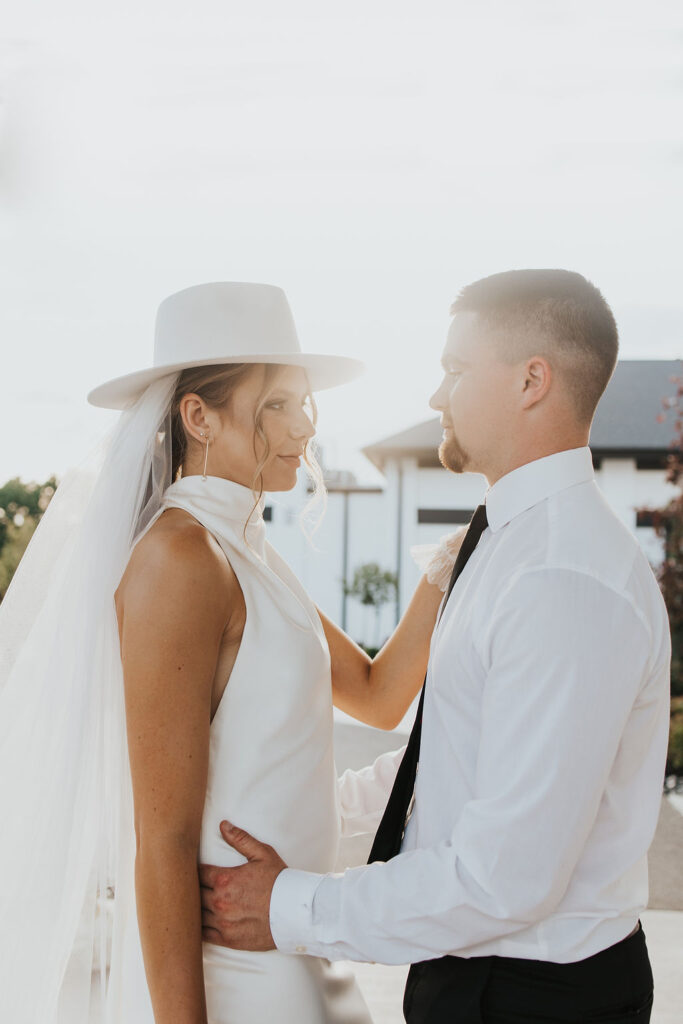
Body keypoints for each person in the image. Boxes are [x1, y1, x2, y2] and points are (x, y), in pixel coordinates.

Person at [199, 270, 671, 1024]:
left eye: (454, 369)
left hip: (531, 999)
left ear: (531, 381)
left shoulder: (561, 580)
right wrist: (303, 807)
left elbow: (503, 879)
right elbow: (455, 757)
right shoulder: (506, 540)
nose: (434, 396)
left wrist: (290, 907)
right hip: (477, 978)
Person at [0, 282, 463, 1023]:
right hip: (235, 978)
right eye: (277, 403)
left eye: (303, 402)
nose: (304, 426)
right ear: (198, 417)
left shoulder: (247, 551)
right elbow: (163, 841)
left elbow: (378, 696)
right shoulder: (179, 558)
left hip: (293, 941)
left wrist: (455, 557)